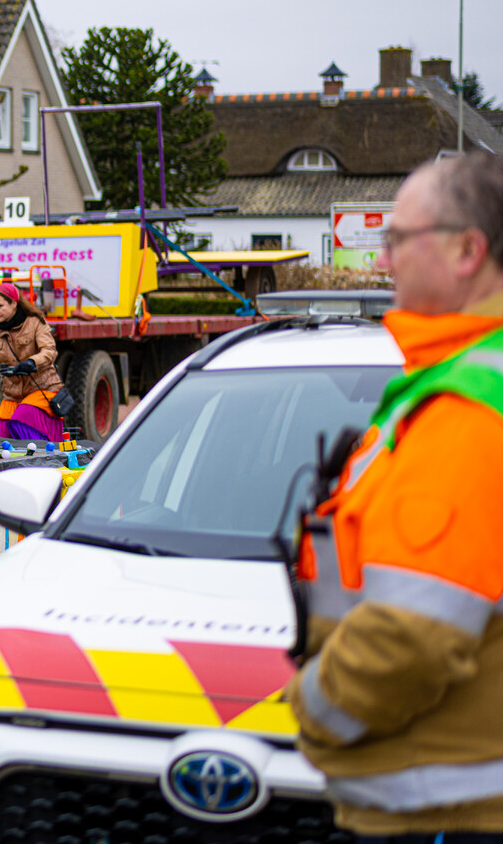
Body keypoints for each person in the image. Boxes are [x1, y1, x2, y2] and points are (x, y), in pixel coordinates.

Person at [287, 150, 503, 842]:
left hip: (442, 808)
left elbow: (414, 634)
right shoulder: (459, 382)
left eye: (399, 240)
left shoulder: (470, 406)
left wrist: (313, 709)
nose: (384, 263)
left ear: (468, 250)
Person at [0, 280, 65, 442]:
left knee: (22, 419)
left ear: (13, 303)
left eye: (0, 306)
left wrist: (31, 363)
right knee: (2, 430)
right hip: (13, 393)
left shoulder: (35, 322)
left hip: (42, 388)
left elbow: (49, 351)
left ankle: (40, 457)